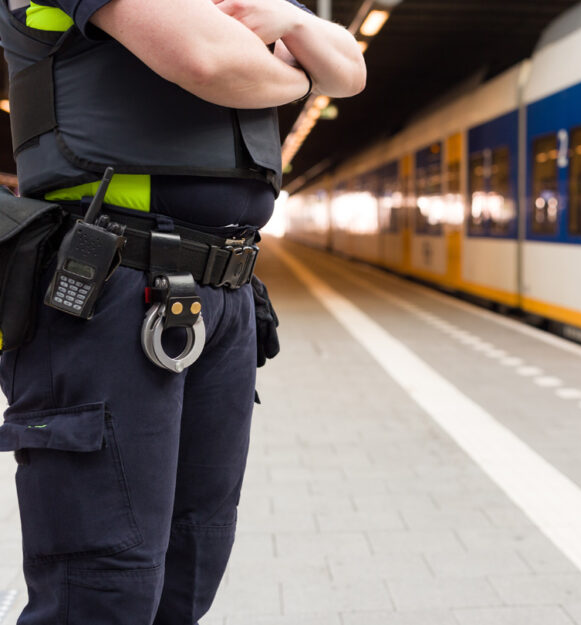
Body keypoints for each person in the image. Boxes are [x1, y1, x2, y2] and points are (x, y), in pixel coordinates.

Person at [0, 0, 365, 623]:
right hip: (110, 285)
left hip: (221, 292)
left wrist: (296, 23)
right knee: (101, 585)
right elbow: (208, 60)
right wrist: (294, 70)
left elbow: (349, 70)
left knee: (192, 561)